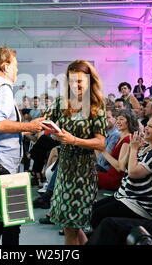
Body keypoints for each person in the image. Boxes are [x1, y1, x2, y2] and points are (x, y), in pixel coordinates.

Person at [0, 46, 48, 245]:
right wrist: (29, 125)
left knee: (12, 227)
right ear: (5, 67)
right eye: (15, 65)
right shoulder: (3, 88)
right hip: (1, 168)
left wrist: (23, 129)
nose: (17, 70)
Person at [44, 60, 107, 245]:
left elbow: (101, 142)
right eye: (71, 81)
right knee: (71, 225)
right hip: (64, 171)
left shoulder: (96, 105)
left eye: (79, 81)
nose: (75, 85)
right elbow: (45, 124)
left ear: (90, 81)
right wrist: (53, 133)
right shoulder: (61, 103)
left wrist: (74, 140)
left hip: (83, 172)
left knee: (70, 227)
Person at [90, 116, 152, 229]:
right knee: (93, 209)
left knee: (97, 215)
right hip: (125, 196)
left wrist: (133, 149)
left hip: (140, 205)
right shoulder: (146, 147)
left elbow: (132, 173)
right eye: (146, 125)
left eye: (150, 126)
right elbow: (125, 166)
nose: (145, 128)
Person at [97, 110, 139, 191]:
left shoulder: (128, 139)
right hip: (110, 174)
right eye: (117, 119)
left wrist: (103, 150)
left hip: (115, 180)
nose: (118, 122)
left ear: (129, 121)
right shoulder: (122, 137)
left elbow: (120, 167)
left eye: (122, 119)